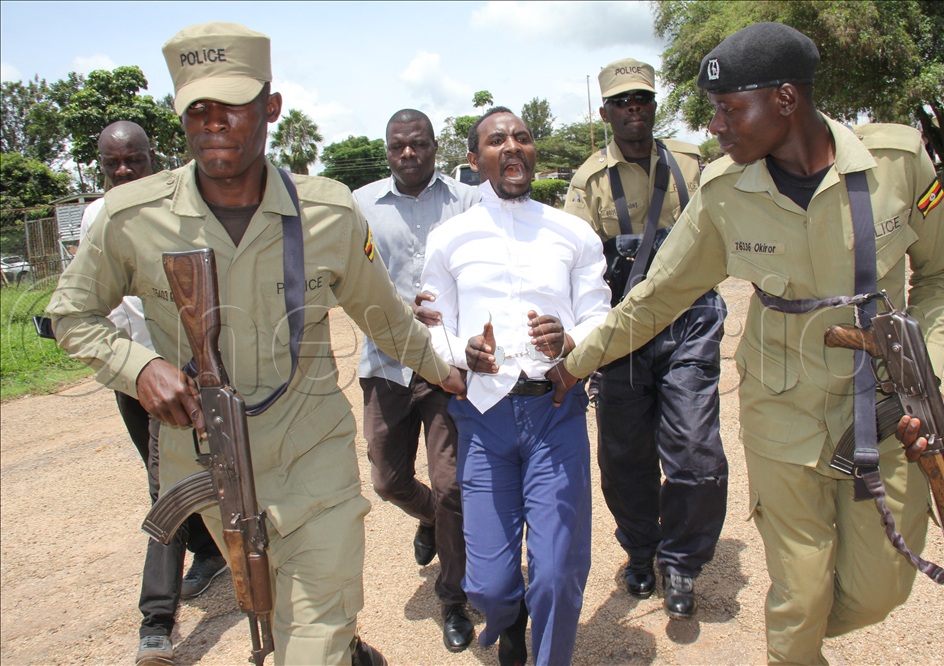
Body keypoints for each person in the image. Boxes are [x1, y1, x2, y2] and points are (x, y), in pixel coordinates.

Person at [47, 22, 464, 666]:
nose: (213, 123)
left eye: (232, 106)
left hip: (312, 458)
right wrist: (140, 366)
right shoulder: (133, 217)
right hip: (209, 466)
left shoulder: (328, 212)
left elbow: (386, 319)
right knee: (279, 609)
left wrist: (447, 370)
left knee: (309, 636)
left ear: (270, 107)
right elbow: (70, 314)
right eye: (198, 109)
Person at [547, 22, 944, 664]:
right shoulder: (723, 192)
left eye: (729, 108)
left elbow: (938, 276)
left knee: (881, 591)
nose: (715, 124)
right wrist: (575, 364)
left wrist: (925, 377)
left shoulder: (899, 164)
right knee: (799, 594)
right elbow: (655, 298)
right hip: (783, 409)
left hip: (887, 409)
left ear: (787, 100)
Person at [420, 107, 611, 666]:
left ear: (533, 151)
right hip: (482, 418)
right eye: (497, 140)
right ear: (475, 159)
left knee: (555, 569)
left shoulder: (572, 233)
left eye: (522, 138)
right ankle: (508, 620)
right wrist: (463, 353)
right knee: (488, 584)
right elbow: (434, 330)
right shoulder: (449, 238)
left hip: (555, 413)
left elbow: (600, 315)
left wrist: (570, 338)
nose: (512, 147)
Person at [563, 58, 728, 619]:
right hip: (624, 332)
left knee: (694, 449)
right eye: (624, 102)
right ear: (606, 112)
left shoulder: (690, 163)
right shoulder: (587, 181)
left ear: (654, 106)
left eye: (644, 100)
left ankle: (681, 558)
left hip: (689, 321)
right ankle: (641, 549)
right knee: (623, 456)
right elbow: (575, 265)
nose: (636, 110)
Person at [80, 120, 226, 666]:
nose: (122, 171)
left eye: (133, 161)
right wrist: (134, 366)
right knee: (165, 490)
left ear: (152, 158)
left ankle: (158, 618)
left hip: (199, 374)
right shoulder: (99, 218)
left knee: (205, 482)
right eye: (111, 163)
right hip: (135, 378)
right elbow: (90, 303)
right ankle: (186, 585)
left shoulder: (177, 206)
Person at [352, 109, 480, 653]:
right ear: (387, 150)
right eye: (398, 146)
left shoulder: (469, 202)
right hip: (385, 362)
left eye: (419, 145)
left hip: (448, 366)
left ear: (434, 146)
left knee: (451, 485)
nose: (409, 154)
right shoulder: (359, 207)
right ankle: (428, 518)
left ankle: (453, 598)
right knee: (386, 479)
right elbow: (348, 280)